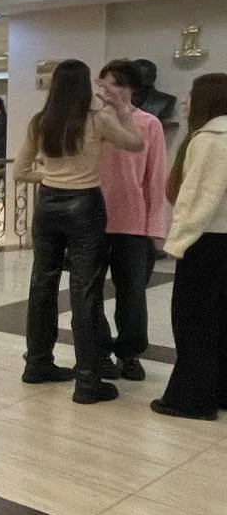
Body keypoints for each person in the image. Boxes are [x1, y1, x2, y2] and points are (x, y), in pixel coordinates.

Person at [13, 59, 142, 404]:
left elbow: (20, 171)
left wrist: (49, 177)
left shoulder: (41, 122)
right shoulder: (97, 120)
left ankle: (37, 364)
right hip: (85, 206)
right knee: (85, 290)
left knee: (42, 283)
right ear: (85, 86)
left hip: (48, 206)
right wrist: (123, 110)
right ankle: (87, 381)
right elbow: (136, 143)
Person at [151, 73, 227, 420]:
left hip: (207, 243)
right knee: (220, 321)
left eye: (191, 95)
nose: (185, 101)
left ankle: (192, 399)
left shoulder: (209, 139)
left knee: (194, 321)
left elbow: (196, 200)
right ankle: (219, 390)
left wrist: (178, 241)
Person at [94, 60, 167, 382]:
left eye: (119, 84)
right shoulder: (92, 121)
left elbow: (155, 178)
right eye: (107, 83)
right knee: (90, 293)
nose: (112, 91)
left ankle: (130, 353)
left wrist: (155, 227)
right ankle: (99, 352)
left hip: (133, 223)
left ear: (133, 88)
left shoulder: (149, 124)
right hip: (93, 221)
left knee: (133, 295)